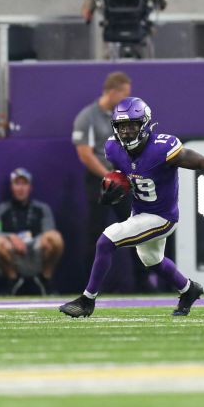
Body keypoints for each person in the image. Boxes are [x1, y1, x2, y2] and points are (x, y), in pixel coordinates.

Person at [58, 97, 204, 318]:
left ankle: (87, 300)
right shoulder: (113, 148)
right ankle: (189, 290)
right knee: (151, 259)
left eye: (132, 126)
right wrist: (114, 188)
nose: (127, 132)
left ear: (145, 124)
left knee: (107, 240)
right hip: (140, 212)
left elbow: (202, 161)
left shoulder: (162, 148)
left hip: (162, 217)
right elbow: (124, 174)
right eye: (122, 127)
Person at [71, 71, 132, 272]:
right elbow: (85, 154)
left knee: (135, 228)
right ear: (112, 92)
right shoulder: (87, 117)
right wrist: (108, 175)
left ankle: (145, 280)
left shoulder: (124, 117)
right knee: (96, 231)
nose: (126, 100)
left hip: (123, 178)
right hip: (100, 180)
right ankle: (90, 284)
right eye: (124, 94)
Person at [0, 168, 64, 294]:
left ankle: (46, 278)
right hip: (12, 254)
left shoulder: (42, 209)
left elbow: (49, 231)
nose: (21, 188)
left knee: (55, 238)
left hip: (37, 251)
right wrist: (11, 237)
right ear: (11, 187)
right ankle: (12, 279)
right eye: (17, 184)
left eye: (24, 184)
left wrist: (34, 242)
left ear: (30, 187)